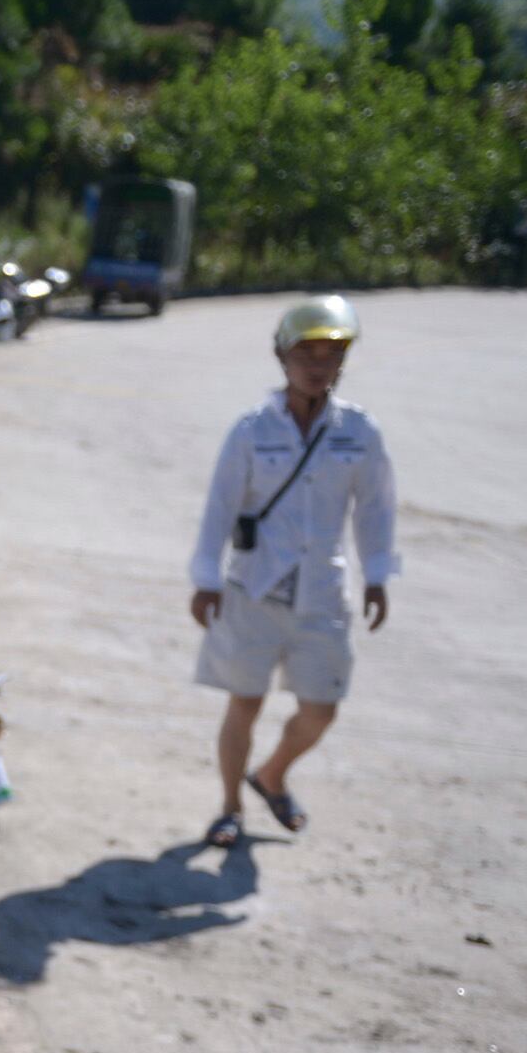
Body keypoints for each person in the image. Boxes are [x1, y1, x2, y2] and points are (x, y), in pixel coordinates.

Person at [187, 294, 397, 848]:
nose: (318, 364)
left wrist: (377, 574)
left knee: (320, 709)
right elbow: (219, 507)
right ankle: (231, 806)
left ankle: (272, 774)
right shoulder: (251, 430)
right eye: (306, 353)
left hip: (323, 593)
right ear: (282, 357)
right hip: (253, 588)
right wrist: (206, 578)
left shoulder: (360, 432)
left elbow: (375, 507)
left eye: (330, 353)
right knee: (245, 703)